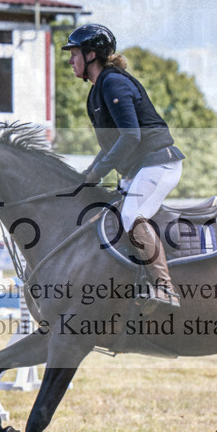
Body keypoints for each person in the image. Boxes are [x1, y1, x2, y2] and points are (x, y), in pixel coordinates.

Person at [63, 23, 185, 313]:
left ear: (92, 55)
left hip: (160, 163)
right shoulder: (95, 93)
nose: (70, 60)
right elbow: (109, 146)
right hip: (141, 169)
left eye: (74, 53)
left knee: (132, 214)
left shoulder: (114, 83)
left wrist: (98, 173)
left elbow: (131, 136)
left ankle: (164, 286)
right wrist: (85, 177)